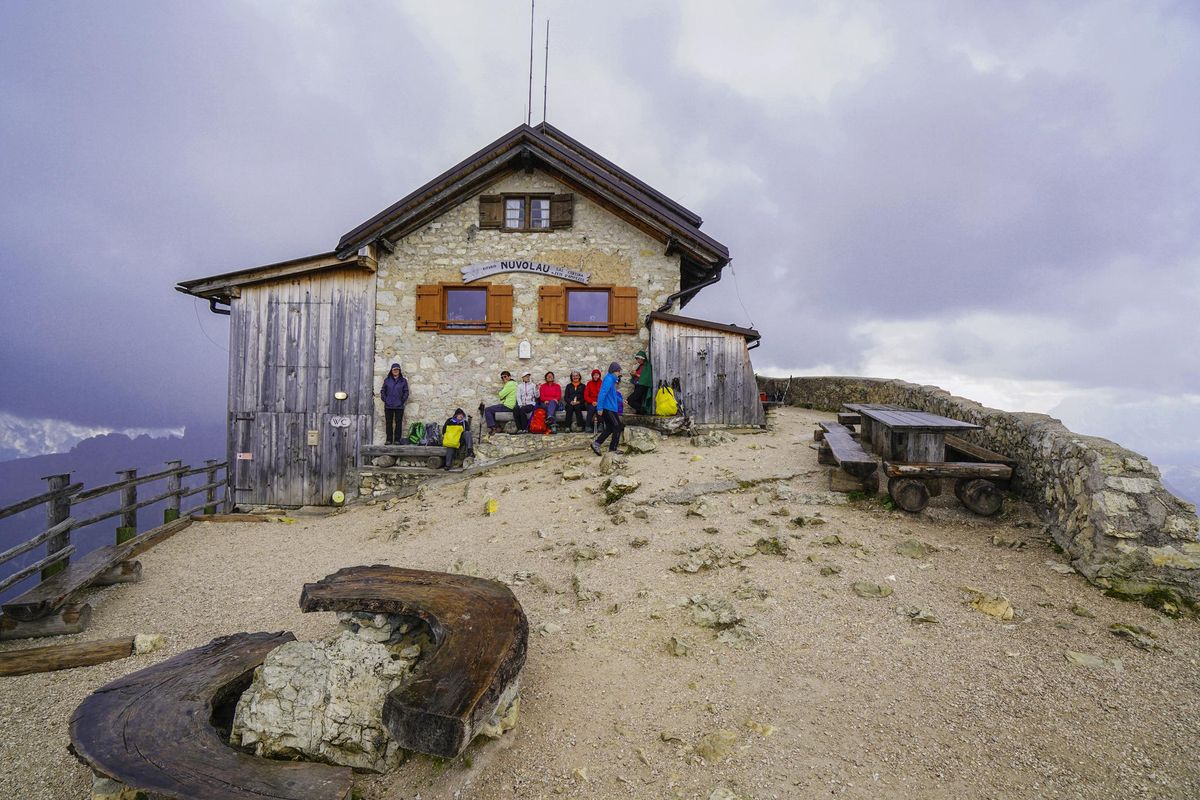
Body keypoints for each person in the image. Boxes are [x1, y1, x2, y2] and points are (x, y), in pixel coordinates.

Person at [592, 362, 625, 454]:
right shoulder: (609, 379)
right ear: (614, 371)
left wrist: (621, 400)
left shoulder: (611, 379)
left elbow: (613, 394)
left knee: (610, 428)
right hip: (608, 408)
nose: (619, 373)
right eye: (618, 371)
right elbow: (602, 393)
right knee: (618, 426)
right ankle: (613, 449)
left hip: (610, 408)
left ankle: (597, 444)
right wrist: (599, 408)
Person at [380, 363, 409, 445]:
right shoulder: (387, 380)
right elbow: (383, 391)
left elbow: (406, 392)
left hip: (399, 406)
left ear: (399, 371)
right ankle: (389, 440)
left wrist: (402, 401)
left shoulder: (403, 381)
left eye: (397, 369)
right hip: (388, 406)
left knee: (398, 423)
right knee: (388, 423)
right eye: (394, 369)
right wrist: (385, 399)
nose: (395, 371)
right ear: (391, 371)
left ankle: (397, 440)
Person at [628, 349, 654, 415]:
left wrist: (636, 374)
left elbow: (645, 377)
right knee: (638, 399)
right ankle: (639, 412)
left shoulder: (647, 366)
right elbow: (638, 375)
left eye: (638, 359)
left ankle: (643, 410)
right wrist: (633, 374)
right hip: (638, 385)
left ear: (642, 358)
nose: (637, 361)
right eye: (637, 359)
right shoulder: (640, 366)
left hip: (642, 386)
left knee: (630, 400)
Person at [583, 368, 603, 433]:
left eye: (597, 375)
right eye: (594, 375)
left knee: (599, 408)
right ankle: (587, 426)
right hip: (590, 402)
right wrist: (592, 402)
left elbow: (603, 394)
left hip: (599, 402)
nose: (595, 376)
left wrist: (598, 402)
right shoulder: (589, 383)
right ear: (592, 376)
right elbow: (586, 395)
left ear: (599, 376)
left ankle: (600, 425)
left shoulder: (602, 383)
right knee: (591, 409)